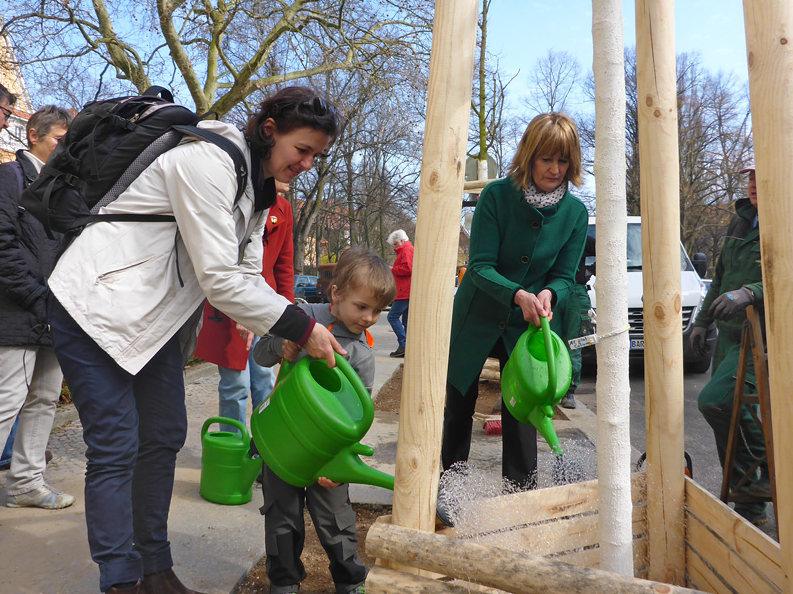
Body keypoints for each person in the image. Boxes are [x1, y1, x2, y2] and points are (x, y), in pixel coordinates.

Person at [47, 86, 345, 594]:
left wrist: (287, 330)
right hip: (93, 307)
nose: (307, 163)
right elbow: (220, 280)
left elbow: (248, 279)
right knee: (116, 446)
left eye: (317, 155)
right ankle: (120, 580)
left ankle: (157, 570)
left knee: (162, 437)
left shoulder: (256, 190)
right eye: (303, 150)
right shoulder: (206, 161)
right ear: (270, 131)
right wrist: (303, 326)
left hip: (152, 323)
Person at [439, 113, 588, 524]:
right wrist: (517, 294)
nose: (554, 170)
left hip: (529, 321)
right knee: (459, 404)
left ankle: (519, 498)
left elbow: (563, 276)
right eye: (545, 160)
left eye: (562, 161)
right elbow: (481, 265)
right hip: (479, 313)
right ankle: (449, 489)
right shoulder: (496, 197)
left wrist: (547, 293)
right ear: (528, 157)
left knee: (524, 409)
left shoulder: (575, 213)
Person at [253, 246, 396, 594]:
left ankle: (350, 581)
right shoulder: (301, 318)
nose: (368, 318)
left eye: (378, 311)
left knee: (336, 520)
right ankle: (284, 582)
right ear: (336, 293)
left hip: (326, 453)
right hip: (282, 439)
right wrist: (281, 346)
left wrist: (343, 460)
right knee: (281, 516)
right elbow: (259, 354)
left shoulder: (360, 354)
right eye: (361, 307)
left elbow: (355, 415)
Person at [0, 105, 75, 510]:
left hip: (54, 314)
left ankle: (25, 484)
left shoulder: (62, 189)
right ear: (33, 135)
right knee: (6, 400)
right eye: (59, 141)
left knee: (44, 398)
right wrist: (35, 298)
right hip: (16, 312)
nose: (65, 151)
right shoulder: (8, 179)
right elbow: (3, 247)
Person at [690, 164, 768, 526]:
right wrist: (702, 321)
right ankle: (748, 508)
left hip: (762, 338)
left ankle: (770, 464)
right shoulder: (741, 220)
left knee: (718, 402)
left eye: (761, 177)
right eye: (750, 178)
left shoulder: (784, 218)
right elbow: (719, 276)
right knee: (727, 420)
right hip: (729, 336)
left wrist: (750, 292)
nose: (753, 185)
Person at [194, 181, 294, 433]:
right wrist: (241, 310)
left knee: (265, 380)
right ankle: (232, 445)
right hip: (228, 305)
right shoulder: (235, 199)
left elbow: (284, 265)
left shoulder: (283, 209)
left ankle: (266, 446)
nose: (297, 167)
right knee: (235, 384)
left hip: (267, 304)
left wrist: (291, 317)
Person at [558, 234, 596, 409]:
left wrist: (589, 271)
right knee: (547, 343)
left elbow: (607, 252)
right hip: (550, 291)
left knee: (573, 344)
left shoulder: (578, 235)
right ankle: (550, 390)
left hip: (575, 292)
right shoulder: (546, 230)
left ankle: (568, 392)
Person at [386, 229, 413, 358]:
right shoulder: (408, 249)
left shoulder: (406, 250)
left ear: (402, 241)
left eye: (395, 244)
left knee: (392, 317)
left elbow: (408, 269)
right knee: (406, 321)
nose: (394, 247)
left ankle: (403, 344)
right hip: (407, 290)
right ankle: (407, 346)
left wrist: (393, 269)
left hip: (404, 290)